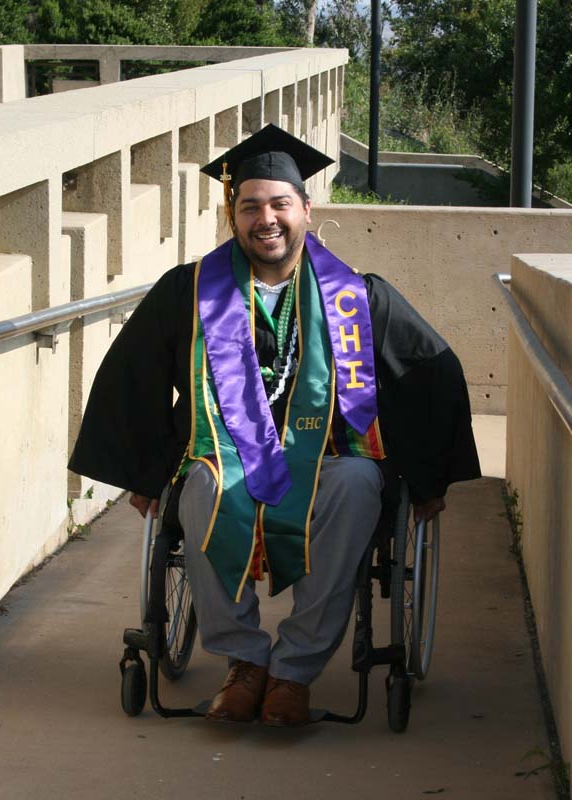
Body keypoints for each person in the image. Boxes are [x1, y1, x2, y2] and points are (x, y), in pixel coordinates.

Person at [69, 124, 480, 726]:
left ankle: (293, 673)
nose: (267, 219)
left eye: (280, 204)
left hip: (331, 460)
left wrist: (427, 480)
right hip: (222, 457)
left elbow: (428, 373)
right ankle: (245, 664)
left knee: (360, 484)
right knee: (203, 490)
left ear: (306, 210)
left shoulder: (357, 298)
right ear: (232, 217)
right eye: (251, 206)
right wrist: (148, 471)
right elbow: (132, 375)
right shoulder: (190, 292)